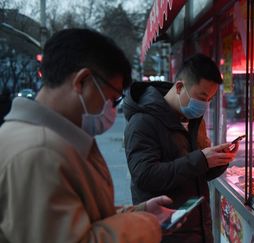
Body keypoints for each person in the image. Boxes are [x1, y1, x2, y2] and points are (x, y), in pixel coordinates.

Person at [0, 28, 175, 243]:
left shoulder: (51, 140)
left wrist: (140, 211)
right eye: (112, 99)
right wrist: (147, 225)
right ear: (81, 81)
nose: (112, 110)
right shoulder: (40, 152)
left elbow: (81, 218)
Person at [123, 53, 238, 243]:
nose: (205, 105)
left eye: (210, 99)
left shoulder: (194, 122)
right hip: (165, 233)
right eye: (202, 96)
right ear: (179, 87)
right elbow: (145, 176)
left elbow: (194, 173)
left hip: (198, 229)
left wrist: (218, 160)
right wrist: (201, 159)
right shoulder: (142, 122)